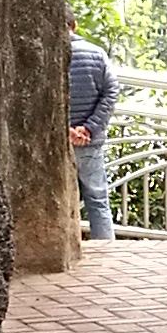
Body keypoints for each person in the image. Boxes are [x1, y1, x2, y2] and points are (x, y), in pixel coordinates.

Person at [67, 29, 118, 242]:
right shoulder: (97, 54)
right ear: (74, 25)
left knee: (62, 200)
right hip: (89, 142)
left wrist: (65, 128)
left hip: (57, 142)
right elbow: (111, 92)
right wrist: (88, 128)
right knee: (97, 200)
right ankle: (106, 251)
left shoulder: (48, 55)